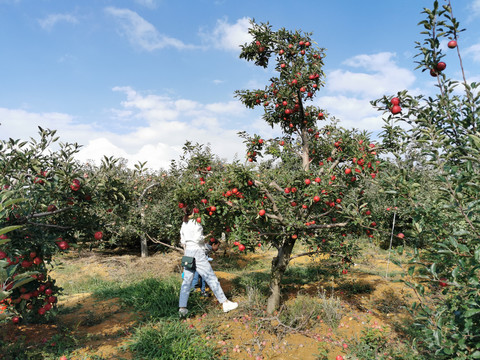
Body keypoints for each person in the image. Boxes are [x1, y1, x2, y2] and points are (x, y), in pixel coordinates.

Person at [179, 206, 238, 316]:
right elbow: (198, 239)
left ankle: (182, 308)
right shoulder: (196, 222)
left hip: (188, 252)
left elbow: (183, 240)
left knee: (187, 281)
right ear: (194, 211)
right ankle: (225, 303)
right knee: (211, 277)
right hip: (198, 252)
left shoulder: (184, 223)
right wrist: (208, 235)